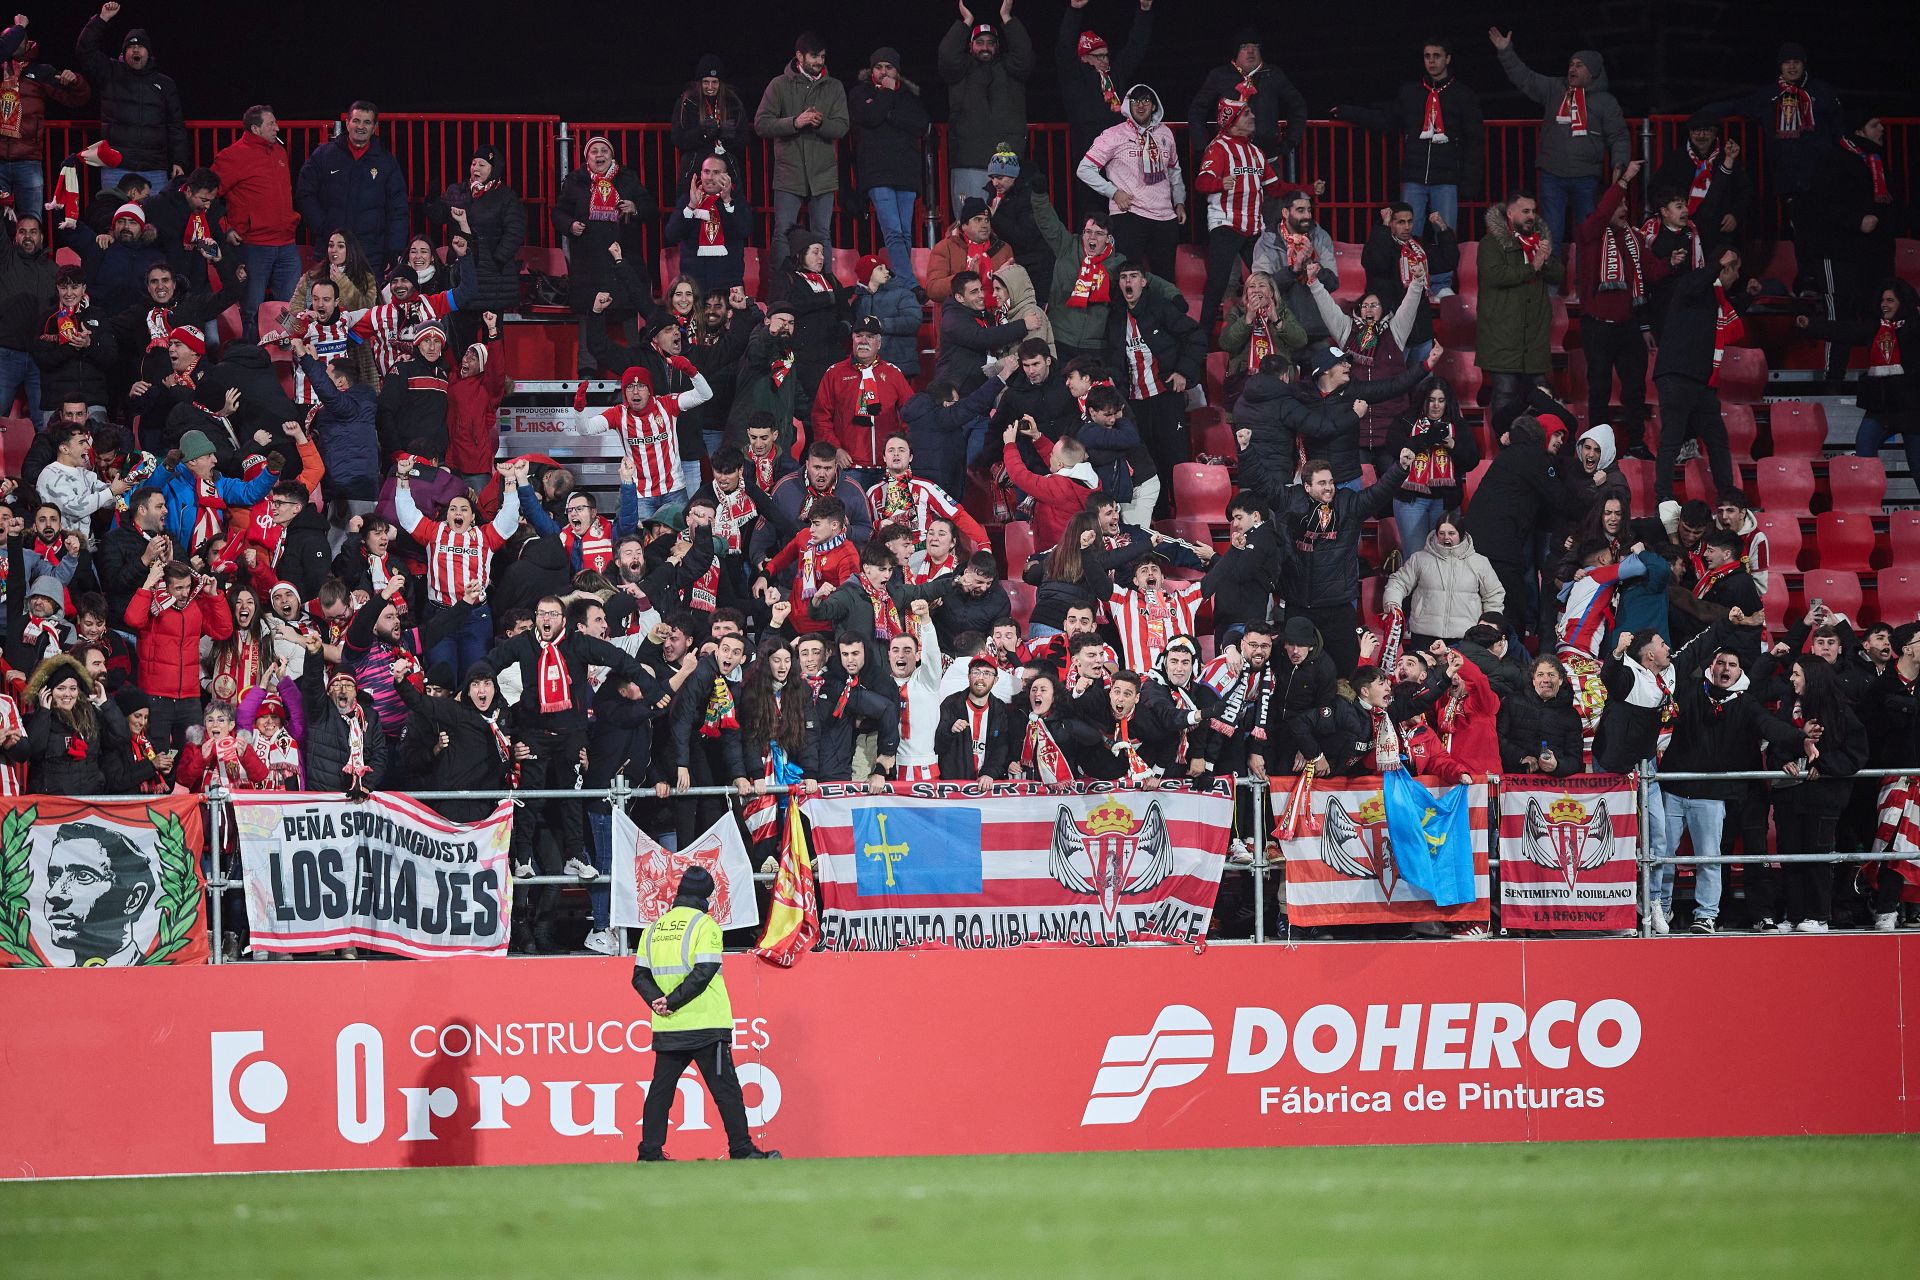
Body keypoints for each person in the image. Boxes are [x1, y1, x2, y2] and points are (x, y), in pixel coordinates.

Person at [633, 866, 780, 1161]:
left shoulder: (653, 928)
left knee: (661, 1092)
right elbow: (704, 972)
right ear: (705, 897)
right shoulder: (705, 926)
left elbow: (639, 976)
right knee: (726, 1091)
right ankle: (741, 1149)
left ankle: (649, 1152)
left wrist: (658, 1002)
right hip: (705, 1024)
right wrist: (672, 1001)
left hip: (668, 1026)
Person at [1334, 39, 1482, 297]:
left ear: (1448, 58)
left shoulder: (1463, 95)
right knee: (1405, 231)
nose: (1432, 61)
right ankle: (1407, 281)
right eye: (1427, 56)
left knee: (1443, 231)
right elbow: (1386, 120)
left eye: (1437, 55)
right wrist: (1348, 112)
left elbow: (1474, 139)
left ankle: (1441, 284)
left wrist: (1469, 181)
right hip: (1414, 176)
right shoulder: (1410, 92)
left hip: (1447, 177)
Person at [1701, 43, 1841, 289]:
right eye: (1787, 62)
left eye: (1797, 61)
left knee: (1824, 232)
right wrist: (1702, 115)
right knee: (1801, 232)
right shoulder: (1769, 96)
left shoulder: (1822, 91)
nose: (1792, 66)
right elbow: (1736, 106)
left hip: (1823, 177)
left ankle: (1828, 283)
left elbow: (1839, 129)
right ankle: (1809, 281)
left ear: (1804, 64)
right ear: (1780, 66)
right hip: (1789, 180)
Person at [1487, 29, 1628, 266]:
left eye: (1579, 65)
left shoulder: (1605, 102)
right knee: (1550, 232)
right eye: (1571, 64)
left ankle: (1586, 285)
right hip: (1553, 175)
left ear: (1592, 72)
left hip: (1587, 178)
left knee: (1587, 232)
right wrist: (1505, 51)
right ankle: (1551, 286)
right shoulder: (1555, 89)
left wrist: (1619, 163)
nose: (1572, 69)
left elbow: (1619, 136)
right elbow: (1525, 78)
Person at [1281, 454, 1410, 676]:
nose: (1329, 488)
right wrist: (1245, 449)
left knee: (1346, 674)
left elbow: (1378, 493)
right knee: (1296, 673)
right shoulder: (1290, 503)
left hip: (1338, 606)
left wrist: (1401, 468)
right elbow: (1262, 483)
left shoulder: (1348, 503)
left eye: (1331, 482)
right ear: (1307, 487)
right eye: (1322, 483)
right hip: (1299, 604)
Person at [1766, 656, 1866, 932]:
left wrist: (1823, 766)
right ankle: (1794, 915)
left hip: (1823, 799)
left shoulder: (1842, 712)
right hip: (1788, 798)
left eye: (1797, 674)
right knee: (1790, 857)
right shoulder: (1787, 708)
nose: (1792, 679)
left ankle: (1818, 915)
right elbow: (1774, 746)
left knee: (1818, 857)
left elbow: (1856, 755)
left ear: (1812, 677)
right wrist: (1782, 761)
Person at [1652, 249, 1751, 511]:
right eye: (1735, 270)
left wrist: (1749, 296)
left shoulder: (1716, 300)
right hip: (1676, 377)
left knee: (1717, 439)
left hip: (1702, 384)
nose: (1737, 276)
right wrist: (1717, 264)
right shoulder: (1692, 284)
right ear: (1725, 269)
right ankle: (1663, 496)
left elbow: (1730, 322)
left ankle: (1728, 498)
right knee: (1671, 439)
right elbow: (1689, 285)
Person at [1805, 113, 1899, 384]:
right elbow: (1820, 207)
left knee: (1878, 313)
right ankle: (1833, 379)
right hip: (1838, 253)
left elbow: (1891, 207)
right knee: (1840, 314)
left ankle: (1883, 375)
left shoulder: (1877, 161)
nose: (1882, 129)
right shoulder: (1832, 159)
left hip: (1874, 255)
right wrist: (1856, 221)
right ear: (1859, 130)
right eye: (1875, 124)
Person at [1107, 264, 1202, 517]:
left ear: (1144, 282)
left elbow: (1196, 336)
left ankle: (1186, 521)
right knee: (1148, 468)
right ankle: (1157, 525)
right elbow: (1113, 358)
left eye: (1134, 277)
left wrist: (1183, 372)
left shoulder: (1160, 308)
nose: (1128, 282)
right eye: (1124, 277)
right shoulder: (1115, 317)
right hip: (1135, 405)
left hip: (1165, 399)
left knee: (1175, 462)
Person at [1799, 280, 1919, 479]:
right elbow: (1846, 331)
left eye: (1890, 300)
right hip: (1882, 409)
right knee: (1864, 453)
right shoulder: (1876, 328)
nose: (1884, 305)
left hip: (1913, 411)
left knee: (1918, 467)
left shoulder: (1916, 328)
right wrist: (1813, 325)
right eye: (1882, 300)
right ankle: (1867, 505)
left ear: (1903, 303)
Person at [755, 31, 849, 278]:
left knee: (822, 233)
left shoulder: (834, 86)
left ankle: (826, 291)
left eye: (823, 57)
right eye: (814, 56)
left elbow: (841, 126)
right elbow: (762, 124)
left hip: (823, 174)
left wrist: (821, 123)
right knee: (783, 232)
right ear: (799, 56)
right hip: (789, 172)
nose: (819, 62)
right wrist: (795, 122)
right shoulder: (779, 85)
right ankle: (781, 292)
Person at [553, 135, 653, 367]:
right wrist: (570, 225)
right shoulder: (575, 181)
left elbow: (650, 208)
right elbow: (558, 212)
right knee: (590, 311)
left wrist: (635, 208)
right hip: (588, 261)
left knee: (629, 309)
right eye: (594, 151)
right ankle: (587, 369)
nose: (599, 155)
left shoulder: (628, 178)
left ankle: (638, 366)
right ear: (586, 158)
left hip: (623, 256)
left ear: (612, 155)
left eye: (604, 151)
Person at [1193, 90, 1284, 336]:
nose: (1253, 116)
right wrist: (1219, 184)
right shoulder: (1218, 148)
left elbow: (1275, 188)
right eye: (1247, 113)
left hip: (1254, 227)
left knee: (1272, 280)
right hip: (1226, 224)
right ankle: (1201, 343)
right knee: (1218, 284)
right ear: (1232, 121)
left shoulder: (1256, 152)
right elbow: (1201, 183)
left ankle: (1277, 333)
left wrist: (1308, 189)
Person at [1076, 83, 1184, 283]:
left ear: (1154, 105)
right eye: (1135, 101)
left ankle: (1163, 315)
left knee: (1166, 282)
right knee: (1125, 280)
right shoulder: (1113, 134)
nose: (1140, 105)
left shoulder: (1165, 133)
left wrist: (1179, 201)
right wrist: (1114, 192)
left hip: (1164, 217)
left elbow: (1174, 171)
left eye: (1145, 100)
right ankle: (1124, 316)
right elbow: (1084, 169)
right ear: (1128, 104)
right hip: (1129, 216)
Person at [1476, 193, 1563, 439]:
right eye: (1525, 211)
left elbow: (1559, 273)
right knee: (1505, 392)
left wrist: (1544, 261)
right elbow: (1496, 276)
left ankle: (1537, 444)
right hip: (1501, 336)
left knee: (1539, 393)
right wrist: (1532, 266)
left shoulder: (1539, 242)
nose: (1531, 216)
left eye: (1533, 211)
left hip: (1533, 337)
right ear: (1510, 214)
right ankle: (1503, 446)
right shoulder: (1490, 244)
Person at [1058, 0, 1154, 220]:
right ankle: (1091, 253)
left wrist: (1144, 12)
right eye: (1098, 56)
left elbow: (1135, 48)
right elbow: (1064, 46)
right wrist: (1074, 10)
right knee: (1092, 212)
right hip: (1088, 151)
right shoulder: (1074, 76)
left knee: (1122, 210)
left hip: (1118, 156)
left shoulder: (1115, 76)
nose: (1105, 60)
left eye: (1106, 55)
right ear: (1084, 58)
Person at [210, 105, 299, 342]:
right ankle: (251, 361)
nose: (277, 128)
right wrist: (224, 227)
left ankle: (288, 356)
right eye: (271, 124)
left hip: (286, 244)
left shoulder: (279, 152)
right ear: (255, 128)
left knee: (289, 308)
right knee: (251, 310)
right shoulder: (232, 156)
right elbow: (207, 195)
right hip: (254, 246)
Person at [74, 7, 186, 190]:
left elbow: (176, 125)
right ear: (124, 53)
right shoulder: (110, 73)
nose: (136, 50)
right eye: (131, 47)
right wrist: (101, 19)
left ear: (148, 52)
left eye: (140, 46)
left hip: (154, 168)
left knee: (154, 218)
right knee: (114, 215)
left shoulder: (165, 83)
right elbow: (84, 50)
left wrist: (179, 161)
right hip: (116, 166)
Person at [939, 3, 1034, 215]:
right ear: (970, 46)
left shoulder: (1010, 68)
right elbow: (947, 55)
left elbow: (1025, 55)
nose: (985, 47)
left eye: (990, 43)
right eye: (979, 42)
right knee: (970, 226)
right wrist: (966, 22)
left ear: (998, 46)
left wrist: (1006, 17)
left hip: (1006, 165)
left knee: (1006, 228)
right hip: (968, 161)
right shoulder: (960, 69)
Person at [849, 48, 930, 294]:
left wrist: (889, 113)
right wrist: (886, 95)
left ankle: (898, 284)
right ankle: (910, 284)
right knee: (893, 230)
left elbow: (921, 125)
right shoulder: (859, 93)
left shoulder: (909, 94)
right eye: (879, 67)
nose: (883, 72)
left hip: (905, 173)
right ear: (871, 70)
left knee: (905, 232)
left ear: (897, 70)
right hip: (877, 173)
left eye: (889, 67)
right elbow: (870, 117)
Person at [296, 100, 409, 270]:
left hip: (371, 252)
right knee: (328, 296)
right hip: (331, 247)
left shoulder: (387, 162)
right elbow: (305, 193)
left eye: (367, 122)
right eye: (356, 121)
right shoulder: (324, 155)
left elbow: (398, 209)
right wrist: (323, 227)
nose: (360, 126)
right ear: (347, 123)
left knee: (368, 297)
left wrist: (393, 250)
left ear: (375, 126)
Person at [0, 27, 90, 225]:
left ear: (26, 43)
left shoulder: (40, 72)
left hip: (28, 161)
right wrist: (19, 28)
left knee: (31, 221)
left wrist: (76, 82)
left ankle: (29, 258)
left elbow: (77, 99)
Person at [1186, 29, 1307, 173]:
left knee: (1272, 194)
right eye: (1244, 46)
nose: (1251, 51)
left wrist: (1290, 141)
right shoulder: (1219, 76)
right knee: (1232, 196)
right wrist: (1203, 147)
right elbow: (1197, 111)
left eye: (1255, 46)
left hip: (1267, 158)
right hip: (1229, 159)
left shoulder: (1273, 74)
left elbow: (1298, 106)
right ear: (1236, 51)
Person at [1382, 511, 1505, 649]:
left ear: (1461, 534)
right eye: (1441, 533)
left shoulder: (1479, 562)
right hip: (1424, 634)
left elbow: (1494, 594)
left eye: (1451, 533)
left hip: (1465, 637)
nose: (1446, 537)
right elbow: (1399, 582)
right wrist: (1392, 602)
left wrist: (1488, 624)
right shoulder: (1419, 559)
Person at [429, 143, 523, 317]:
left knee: (492, 334)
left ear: (493, 169)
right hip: (461, 270)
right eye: (474, 164)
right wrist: (431, 201)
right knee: (462, 333)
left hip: (493, 278)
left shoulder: (505, 196)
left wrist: (496, 260)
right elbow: (438, 217)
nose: (476, 169)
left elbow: (515, 232)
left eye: (482, 165)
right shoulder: (458, 190)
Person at [1251, 188, 1340, 345]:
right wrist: (1293, 270)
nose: (1307, 216)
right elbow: (1261, 290)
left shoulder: (1320, 237)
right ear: (1285, 213)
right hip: (1281, 330)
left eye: (1309, 210)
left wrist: (1313, 265)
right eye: (1300, 210)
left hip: (1316, 330)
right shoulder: (1267, 242)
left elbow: (1332, 284)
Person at [670, 54, 748, 191]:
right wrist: (702, 132)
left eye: (715, 82)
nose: (710, 86)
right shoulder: (688, 102)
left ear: (721, 83)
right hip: (694, 171)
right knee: (688, 210)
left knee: (732, 210)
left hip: (726, 170)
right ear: (699, 82)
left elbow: (743, 141)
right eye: (706, 82)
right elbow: (677, 139)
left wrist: (727, 136)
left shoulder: (733, 102)